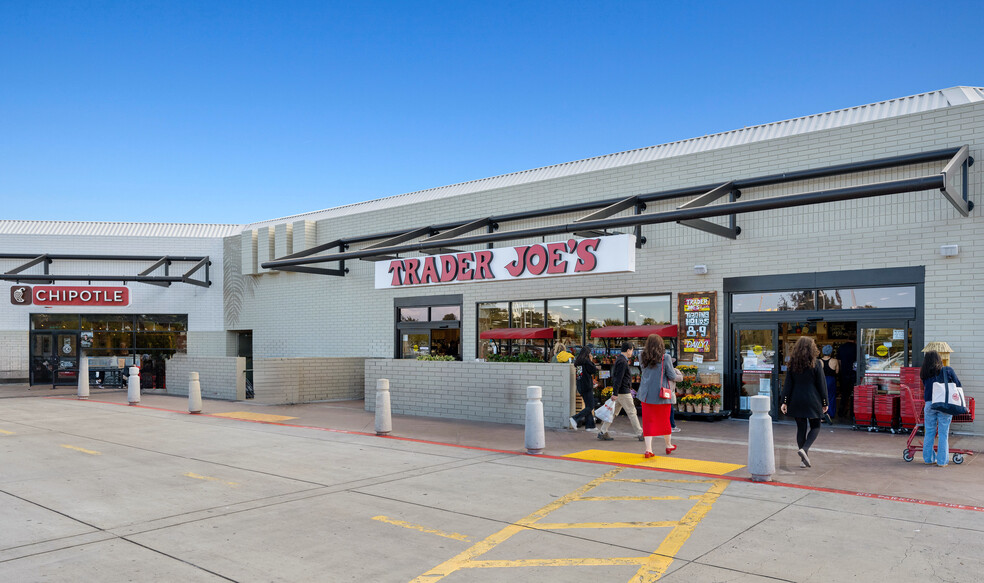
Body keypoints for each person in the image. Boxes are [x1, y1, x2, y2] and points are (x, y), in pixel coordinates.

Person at [780, 336, 828, 468]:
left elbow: (788, 384)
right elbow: (821, 385)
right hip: (813, 399)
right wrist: (825, 401)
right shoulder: (817, 363)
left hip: (796, 399)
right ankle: (805, 449)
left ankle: (803, 460)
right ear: (812, 348)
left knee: (801, 428)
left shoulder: (792, 363)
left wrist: (784, 401)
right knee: (816, 426)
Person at [636, 334, 683, 457]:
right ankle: (668, 445)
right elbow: (672, 376)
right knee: (665, 421)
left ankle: (648, 449)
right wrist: (680, 375)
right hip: (662, 395)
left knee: (648, 422)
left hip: (646, 395)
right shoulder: (665, 358)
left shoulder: (641, 356)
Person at [920, 350, 961, 467]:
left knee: (929, 432)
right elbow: (958, 385)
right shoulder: (947, 370)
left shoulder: (924, 372)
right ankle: (942, 462)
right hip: (944, 405)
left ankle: (928, 459)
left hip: (929, 405)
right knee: (943, 434)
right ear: (939, 359)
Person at [597, 341, 643, 442]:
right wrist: (615, 393)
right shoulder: (622, 361)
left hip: (621, 391)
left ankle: (603, 431)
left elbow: (617, 378)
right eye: (632, 350)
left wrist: (615, 392)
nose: (632, 352)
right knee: (632, 412)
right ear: (628, 350)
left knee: (613, 412)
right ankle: (640, 433)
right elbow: (618, 378)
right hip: (623, 392)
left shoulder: (620, 360)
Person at [569, 346, 599, 432]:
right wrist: (591, 360)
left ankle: (590, 426)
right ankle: (575, 418)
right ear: (587, 354)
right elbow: (593, 370)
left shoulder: (578, 362)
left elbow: (580, 375)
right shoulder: (586, 362)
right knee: (590, 406)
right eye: (590, 353)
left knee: (588, 406)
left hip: (580, 386)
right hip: (587, 386)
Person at [819, 345, 839, 421]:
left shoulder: (819, 361)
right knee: (831, 397)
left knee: (821, 397)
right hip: (831, 380)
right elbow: (837, 371)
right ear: (831, 352)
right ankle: (830, 413)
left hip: (821, 380)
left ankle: (822, 413)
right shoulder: (835, 361)